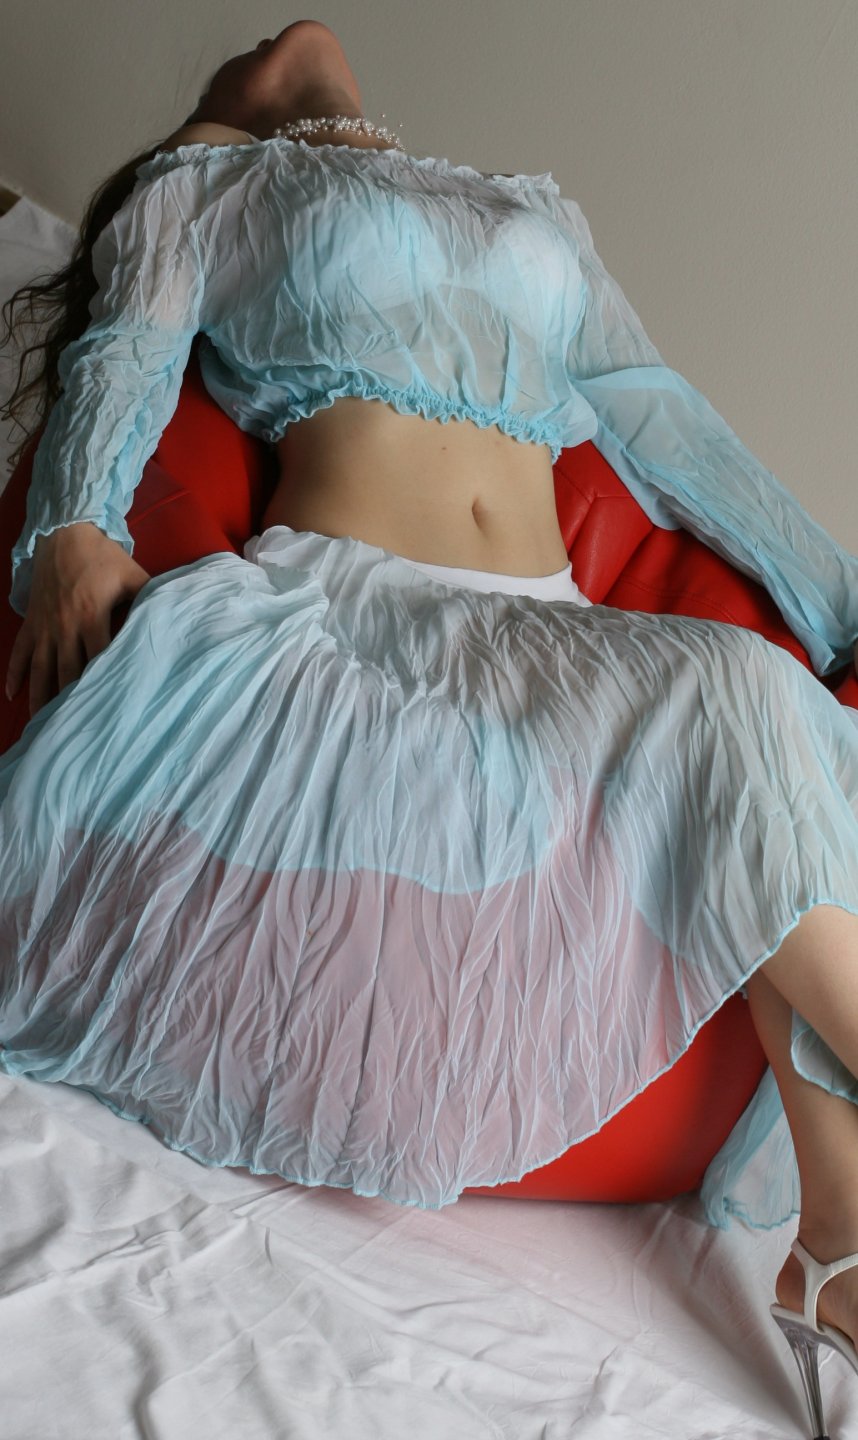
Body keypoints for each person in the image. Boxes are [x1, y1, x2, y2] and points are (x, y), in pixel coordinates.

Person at [0, 19, 856, 1426]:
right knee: (732, 701)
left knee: (755, 721)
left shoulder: (539, 220)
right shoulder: (205, 190)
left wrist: (839, 607)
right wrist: (72, 525)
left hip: (561, 643)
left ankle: (838, 1230)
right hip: (372, 626)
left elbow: (666, 424)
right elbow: (122, 354)